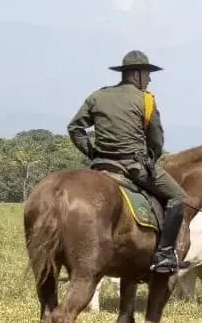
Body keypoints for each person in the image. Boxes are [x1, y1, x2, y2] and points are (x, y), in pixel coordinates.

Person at [67, 49, 187, 274]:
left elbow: (75, 128)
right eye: (147, 74)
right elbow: (156, 140)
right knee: (178, 196)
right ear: (135, 75)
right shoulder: (146, 100)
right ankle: (164, 254)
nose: (149, 79)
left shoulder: (97, 96)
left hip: (100, 166)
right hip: (133, 167)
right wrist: (151, 157)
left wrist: (93, 152)